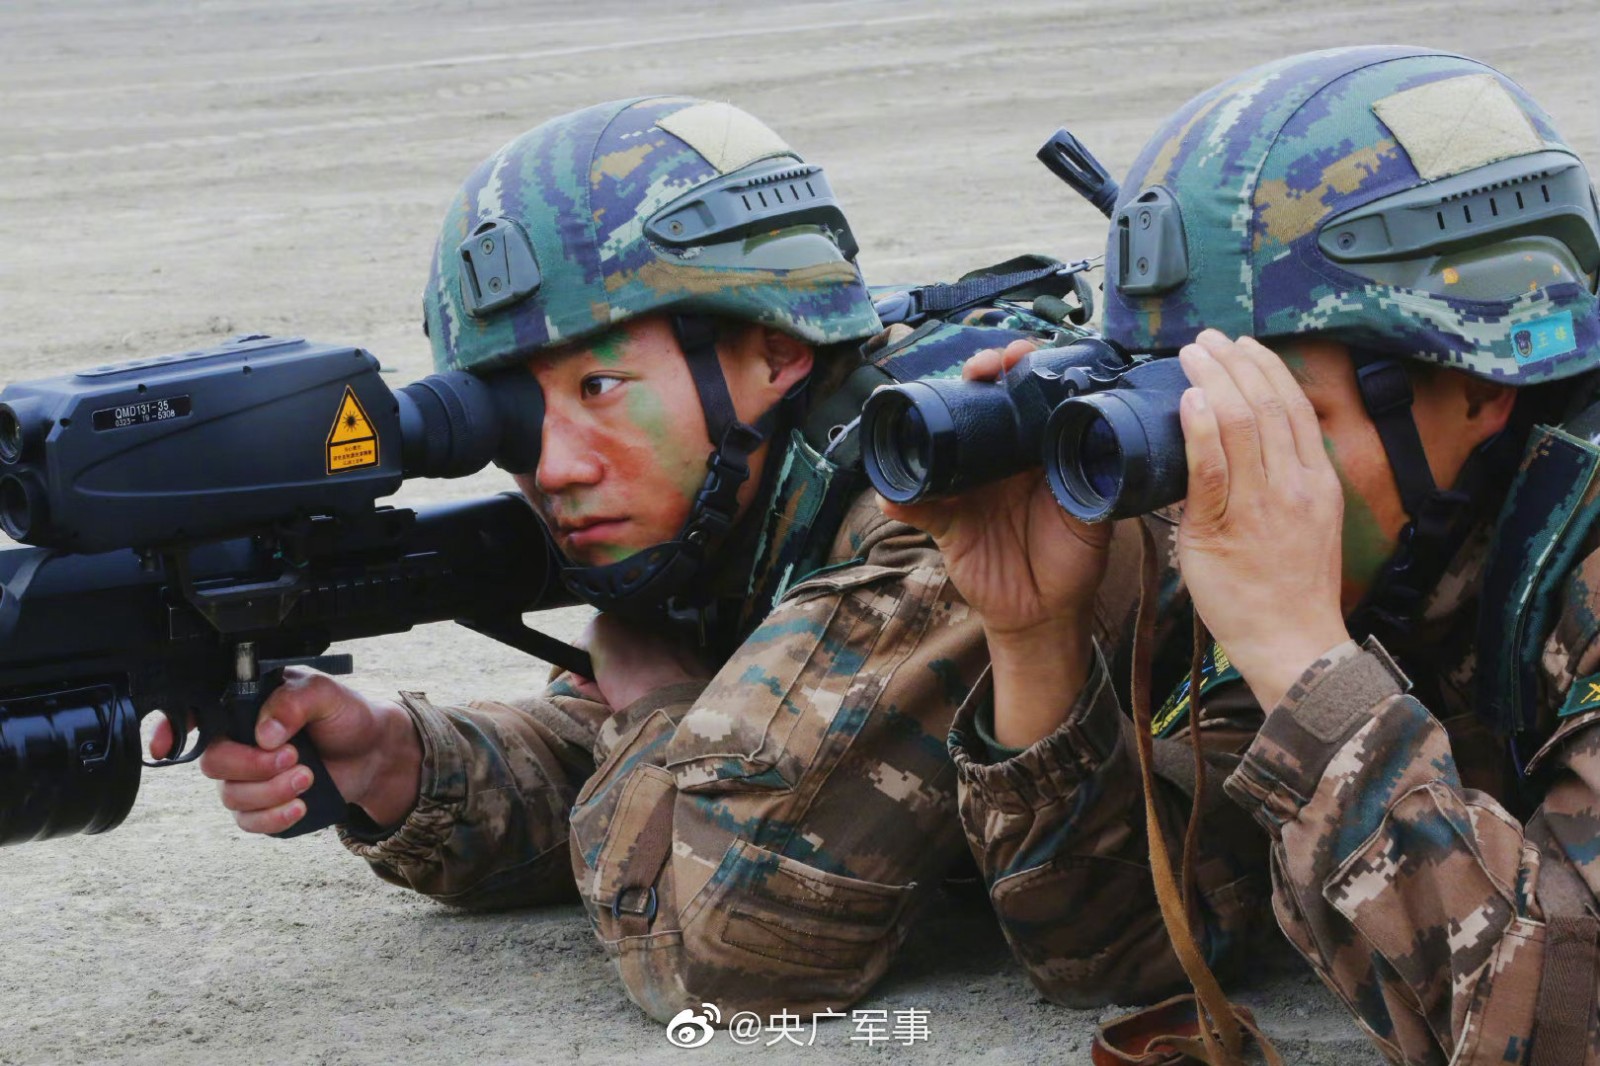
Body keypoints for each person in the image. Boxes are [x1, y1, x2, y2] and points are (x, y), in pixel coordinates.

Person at [150, 97, 994, 1022]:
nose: (553, 469)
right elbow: (645, 767)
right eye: (516, 418)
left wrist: (657, 702)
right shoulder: (742, 493)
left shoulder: (924, 517)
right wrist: (397, 760)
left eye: (600, 386)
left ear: (776, 351)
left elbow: (723, 954)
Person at [889, 47, 1600, 1064]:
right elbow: (1110, 942)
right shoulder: (1388, 547)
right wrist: (1033, 635)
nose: (1219, 470)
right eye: (1185, 407)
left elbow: (1561, 1029)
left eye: (1277, 415)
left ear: (1479, 385)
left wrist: (1303, 657)